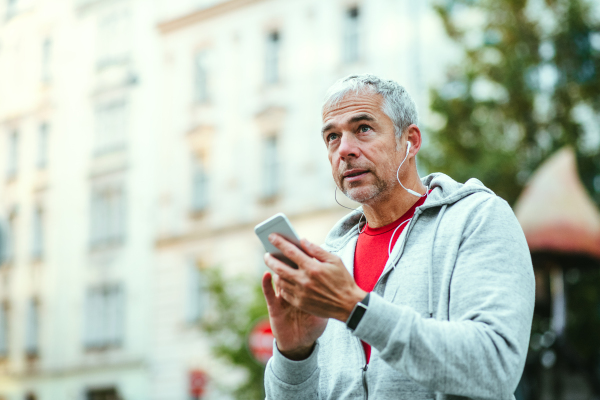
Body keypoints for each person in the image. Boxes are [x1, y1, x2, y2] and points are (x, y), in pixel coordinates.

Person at [261, 74, 535, 399]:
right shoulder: (329, 261)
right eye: (332, 137)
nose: (344, 149)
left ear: (411, 140)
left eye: (363, 128)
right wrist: (294, 353)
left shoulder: (477, 218)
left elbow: (495, 368)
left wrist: (356, 308)